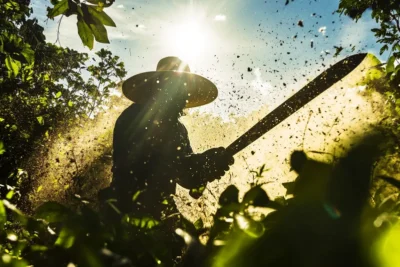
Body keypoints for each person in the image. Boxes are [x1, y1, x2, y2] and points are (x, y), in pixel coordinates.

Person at [102, 57, 234, 221]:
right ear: (157, 88)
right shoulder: (135, 117)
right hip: (126, 207)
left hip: (161, 209)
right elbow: (157, 165)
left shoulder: (179, 130)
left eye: (184, 91)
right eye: (175, 88)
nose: (182, 96)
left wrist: (208, 169)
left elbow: (191, 184)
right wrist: (201, 162)